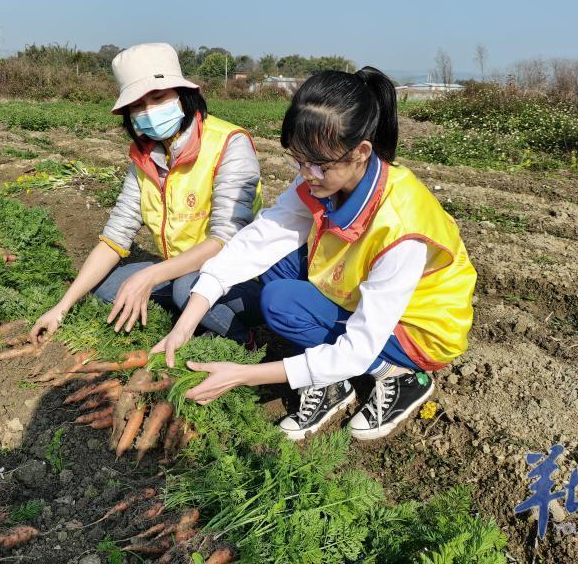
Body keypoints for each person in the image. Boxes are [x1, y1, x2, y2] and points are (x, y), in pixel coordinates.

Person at [151, 66, 477, 441]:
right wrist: (186, 323)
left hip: (419, 325)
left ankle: (399, 377)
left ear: (361, 152)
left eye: (317, 165)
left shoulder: (401, 230)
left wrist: (241, 374)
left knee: (279, 301)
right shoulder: (323, 176)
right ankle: (326, 376)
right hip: (358, 284)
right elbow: (260, 239)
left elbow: (355, 349)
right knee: (275, 261)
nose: (306, 175)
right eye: (298, 160)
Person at [30, 43, 262, 347]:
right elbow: (114, 237)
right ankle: (189, 317)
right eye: (138, 104)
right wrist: (61, 307)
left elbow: (223, 241)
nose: (149, 111)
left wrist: (150, 277)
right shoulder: (144, 159)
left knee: (184, 288)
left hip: (241, 278)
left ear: (183, 95)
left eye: (158, 97)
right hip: (180, 268)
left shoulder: (229, 143)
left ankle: (242, 342)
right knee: (107, 287)